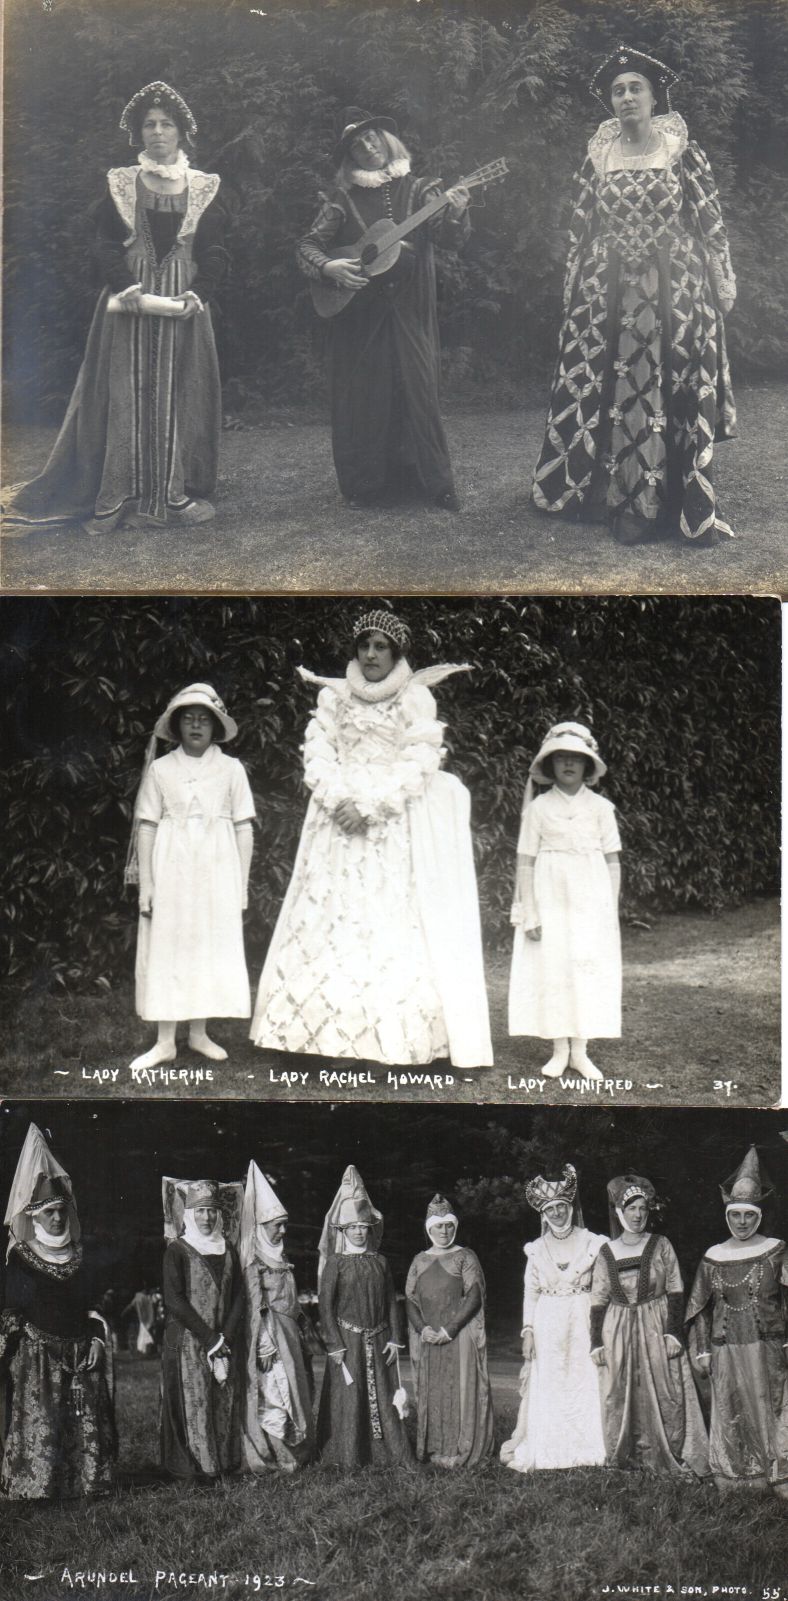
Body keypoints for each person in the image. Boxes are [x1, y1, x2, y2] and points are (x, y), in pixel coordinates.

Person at [250, 610, 493, 1068]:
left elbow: (420, 758)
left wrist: (371, 805)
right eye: (365, 645)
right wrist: (339, 799)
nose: (372, 654)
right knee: (330, 918)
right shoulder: (334, 698)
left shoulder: (414, 697)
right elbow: (318, 753)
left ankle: (388, 1039)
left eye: (382, 647)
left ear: (396, 653)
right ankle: (322, 1039)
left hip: (390, 820)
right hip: (335, 821)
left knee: (387, 921)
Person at [3, 81, 228, 536]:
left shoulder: (203, 187)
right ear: (139, 133)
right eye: (150, 125)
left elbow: (219, 249)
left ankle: (169, 493)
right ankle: (116, 495)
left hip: (183, 302)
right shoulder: (122, 183)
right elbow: (102, 243)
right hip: (129, 301)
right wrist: (126, 284)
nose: (158, 132)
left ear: (182, 133)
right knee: (125, 393)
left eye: (166, 125)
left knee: (175, 391)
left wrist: (198, 292)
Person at [532, 45, 736, 547]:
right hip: (609, 289)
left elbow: (710, 224)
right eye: (617, 91)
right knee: (610, 385)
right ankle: (608, 494)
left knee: (666, 384)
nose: (626, 97)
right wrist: (573, 286)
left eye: (635, 88)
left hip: (674, 287)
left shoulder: (682, 151)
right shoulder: (599, 156)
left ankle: (662, 497)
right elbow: (579, 229)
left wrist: (722, 280)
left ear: (653, 97)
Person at [296, 108, 470, 510]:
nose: (367, 147)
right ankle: (368, 486)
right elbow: (306, 246)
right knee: (366, 395)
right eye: (357, 146)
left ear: (387, 141)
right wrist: (329, 266)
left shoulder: (423, 189)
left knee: (418, 390)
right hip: (360, 311)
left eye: (372, 138)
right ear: (350, 158)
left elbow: (449, 239)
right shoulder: (341, 200)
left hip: (410, 307)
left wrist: (457, 211)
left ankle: (435, 486)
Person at [126, 682, 256, 1071]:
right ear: (178, 726)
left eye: (204, 720)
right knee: (170, 944)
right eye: (189, 719)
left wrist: (242, 884)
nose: (196, 726)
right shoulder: (161, 769)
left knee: (207, 945)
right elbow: (147, 826)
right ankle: (166, 1040)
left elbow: (244, 827)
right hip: (173, 868)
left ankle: (198, 1033)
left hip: (217, 870)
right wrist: (147, 886)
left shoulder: (231, 769)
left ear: (216, 727)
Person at [0, 1123, 116, 1500]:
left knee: (82, 1424)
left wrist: (98, 1337)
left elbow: (94, 1303)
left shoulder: (82, 1256)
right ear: (34, 1216)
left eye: (61, 1210)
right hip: (39, 1360)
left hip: (81, 1353)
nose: (56, 1218)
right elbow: (13, 1311)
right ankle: (37, 1487)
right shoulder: (22, 1257)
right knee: (42, 1424)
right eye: (49, 1212)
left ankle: (83, 1483)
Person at [508, 721, 621, 1081]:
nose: (569, 765)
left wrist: (610, 906)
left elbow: (612, 860)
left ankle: (581, 1051)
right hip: (549, 893)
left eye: (577, 759)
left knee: (585, 967)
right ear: (550, 765)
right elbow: (525, 861)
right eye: (562, 759)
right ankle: (559, 1050)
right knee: (554, 967)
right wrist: (530, 909)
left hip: (591, 896)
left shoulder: (602, 807)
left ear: (588, 766)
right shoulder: (538, 808)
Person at [589, 1174, 709, 1478]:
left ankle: (665, 1450)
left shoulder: (661, 1245)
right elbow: (598, 1298)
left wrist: (673, 1331)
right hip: (616, 1328)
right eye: (631, 1209)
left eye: (643, 1208)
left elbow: (676, 1289)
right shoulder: (607, 1252)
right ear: (620, 1212)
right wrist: (596, 1341)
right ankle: (625, 1454)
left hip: (656, 1323)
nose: (639, 1215)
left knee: (666, 1388)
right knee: (618, 1389)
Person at [686, 1146, 788, 1499]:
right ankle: (736, 1481)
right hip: (725, 1348)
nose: (742, 1222)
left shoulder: (776, 1250)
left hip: (768, 1348)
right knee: (731, 1410)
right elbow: (699, 1308)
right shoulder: (713, 1256)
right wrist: (701, 1350)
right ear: (727, 1215)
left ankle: (778, 1478)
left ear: (759, 1215)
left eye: (748, 1215)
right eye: (736, 1215)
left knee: (770, 1407)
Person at [501, 1163, 606, 1472]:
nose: (557, 1213)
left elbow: (600, 1286)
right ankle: (550, 1448)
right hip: (548, 1317)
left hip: (581, 1315)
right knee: (550, 1380)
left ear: (570, 1207)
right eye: (551, 1209)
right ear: (543, 1214)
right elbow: (530, 1293)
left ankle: (586, 1447)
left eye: (562, 1206)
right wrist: (529, 1331)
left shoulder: (591, 1242)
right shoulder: (536, 1249)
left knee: (582, 1378)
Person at [316, 1166, 412, 1468]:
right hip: (348, 1340)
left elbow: (390, 1301)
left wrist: (396, 1339)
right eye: (352, 1227)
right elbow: (325, 1307)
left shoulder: (380, 1262)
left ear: (370, 1229)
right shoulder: (336, 1263)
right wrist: (333, 1343)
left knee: (383, 1394)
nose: (359, 1231)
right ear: (342, 1231)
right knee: (350, 1396)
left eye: (363, 1226)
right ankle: (349, 1456)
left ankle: (386, 1454)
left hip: (380, 1337)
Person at [160, 1179, 244, 1482]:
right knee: (193, 1402)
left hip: (223, 1339)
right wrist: (209, 1338)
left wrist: (226, 1338)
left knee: (221, 1398)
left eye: (211, 1211)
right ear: (189, 1215)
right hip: (188, 1340)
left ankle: (223, 1462)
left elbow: (238, 1296)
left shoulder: (229, 1249)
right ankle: (196, 1467)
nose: (206, 1218)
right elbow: (174, 1300)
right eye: (200, 1211)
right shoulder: (178, 1250)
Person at [405, 1195, 494, 1467]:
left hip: (458, 1335)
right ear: (428, 1229)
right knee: (433, 1390)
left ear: (455, 1227)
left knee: (461, 1389)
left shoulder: (465, 1256)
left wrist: (450, 1329)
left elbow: (474, 1295)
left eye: (448, 1226)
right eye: (438, 1226)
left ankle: (458, 1451)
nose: (444, 1231)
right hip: (429, 1337)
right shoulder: (419, 1260)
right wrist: (423, 1330)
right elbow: (410, 1299)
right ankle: (434, 1449)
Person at [240, 1162, 314, 1474]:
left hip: (290, 1338)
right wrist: (264, 1344)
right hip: (270, 1338)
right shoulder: (254, 1263)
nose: (282, 1231)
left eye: (283, 1225)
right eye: (276, 1225)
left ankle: (295, 1453)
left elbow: (290, 1301)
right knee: (274, 1393)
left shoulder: (281, 1259)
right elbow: (256, 1305)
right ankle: (274, 1455)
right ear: (260, 1227)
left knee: (294, 1390)